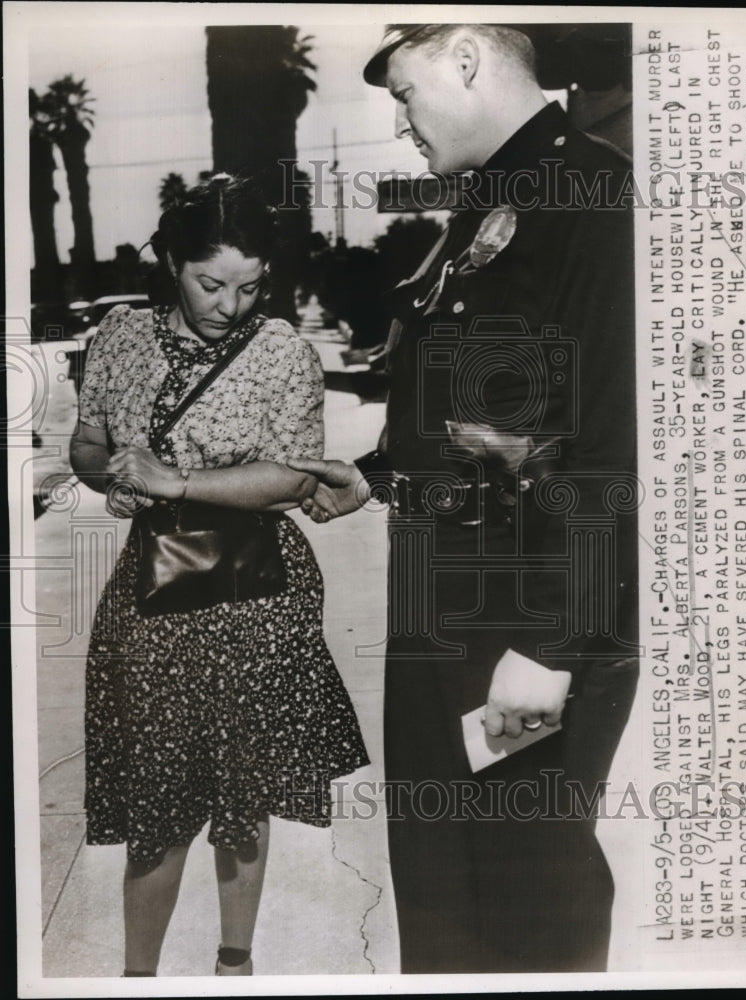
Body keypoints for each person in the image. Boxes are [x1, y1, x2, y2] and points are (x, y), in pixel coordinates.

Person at [289, 24, 639, 973]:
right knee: (446, 894)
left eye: (404, 92)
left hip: (528, 621)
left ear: (467, 58)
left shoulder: (589, 194)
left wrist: (555, 649)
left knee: (530, 893)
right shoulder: (487, 205)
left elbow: (611, 445)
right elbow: (474, 415)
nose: (400, 121)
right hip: (446, 608)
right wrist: (377, 474)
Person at [69, 175, 369, 977]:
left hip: (257, 593)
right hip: (153, 592)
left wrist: (178, 483)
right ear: (171, 262)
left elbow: (293, 479)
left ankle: (233, 967)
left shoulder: (281, 353)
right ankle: (139, 978)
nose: (231, 304)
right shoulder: (118, 338)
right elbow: (87, 446)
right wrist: (118, 472)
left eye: (251, 285)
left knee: (243, 796)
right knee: (158, 802)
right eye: (211, 283)